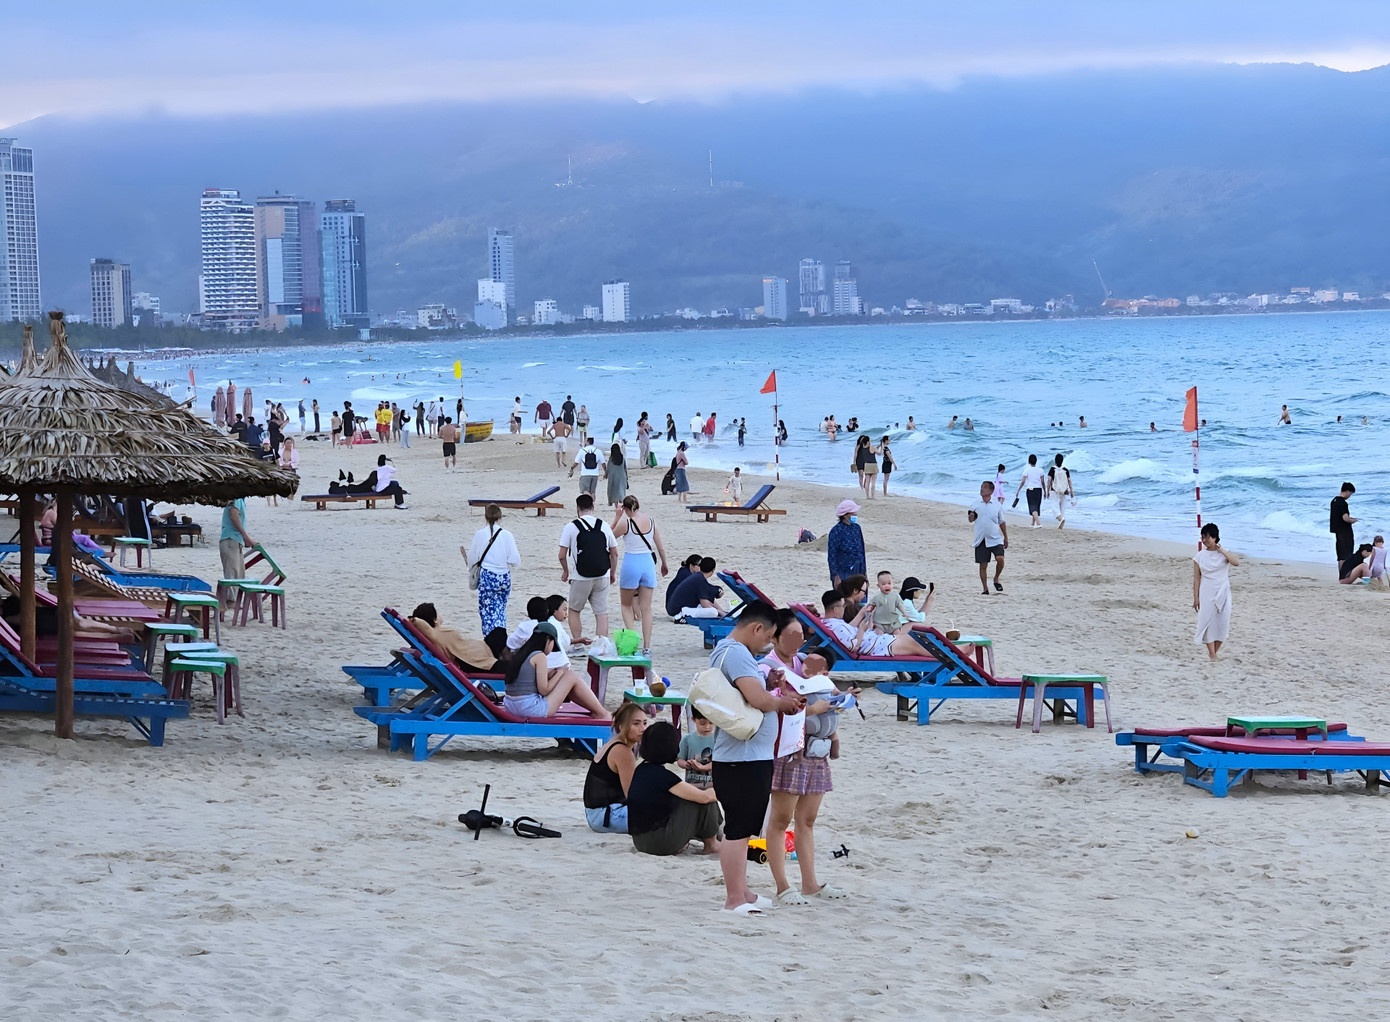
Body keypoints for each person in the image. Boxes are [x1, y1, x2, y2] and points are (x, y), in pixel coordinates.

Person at [709, 601, 805, 913]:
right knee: (738, 829)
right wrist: (783, 701)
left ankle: (743, 891)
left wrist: (768, 684)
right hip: (742, 756)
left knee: (744, 826)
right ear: (757, 628)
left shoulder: (727, 651)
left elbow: (745, 693)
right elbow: (756, 700)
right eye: (769, 638)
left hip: (743, 755)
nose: (769, 645)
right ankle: (734, 897)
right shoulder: (737, 653)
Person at [761, 609, 848, 904]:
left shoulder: (804, 663)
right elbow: (773, 708)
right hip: (788, 750)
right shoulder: (767, 667)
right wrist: (812, 709)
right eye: (792, 635)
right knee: (780, 820)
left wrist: (841, 698)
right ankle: (783, 886)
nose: (798, 641)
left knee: (807, 819)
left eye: (801, 635)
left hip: (814, 750)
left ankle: (810, 883)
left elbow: (825, 688)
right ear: (775, 635)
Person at [628, 722, 722, 856]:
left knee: (698, 794)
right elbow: (704, 797)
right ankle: (711, 844)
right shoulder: (663, 776)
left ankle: (719, 837)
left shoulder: (641, 770)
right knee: (704, 799)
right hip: (660, 842)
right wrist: (727, 788)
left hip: (640, 842)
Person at [503, 623, 607, 719]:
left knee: (565, 680)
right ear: (548, 640)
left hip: (510, 706)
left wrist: (553, 673)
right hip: (530, 709)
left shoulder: (520, 654)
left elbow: (527, 678)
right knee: (571, 676)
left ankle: (598, 711)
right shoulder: (540, 656)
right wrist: (561, 672)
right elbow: (544, 690)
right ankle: (601, 713)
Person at [558, 493, 619, 642]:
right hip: (602, 574)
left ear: (578, 508)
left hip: (581, 576)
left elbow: (562, 555)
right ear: (593, 507)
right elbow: (615, 553)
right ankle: (601, 646)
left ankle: (578, 643)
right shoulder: (603, 525)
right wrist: (612, 572)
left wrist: (566, 571)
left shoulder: (571, 527)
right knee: (601, 613)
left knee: (574, 610)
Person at [612, 495, 668, 656]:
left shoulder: (625, 523)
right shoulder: (651, 521)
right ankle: (647, 647)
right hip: (648, 563)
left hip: (631, 562)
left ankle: (632, 642)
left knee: (626, 605)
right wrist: (664, 563)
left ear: (626, 509)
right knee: (646, 609)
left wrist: (616, 517)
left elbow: (608, 537)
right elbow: (660, 546)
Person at [583, 702, 646, 833]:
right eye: (636, 724)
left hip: (597, 814)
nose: (643, 728)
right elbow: (632, 795)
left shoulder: (613, 744)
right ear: (621, 726)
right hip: (607, 816)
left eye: (645, 723)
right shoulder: (622, 751)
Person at [465, 503, 522, 633]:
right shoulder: (507, 535)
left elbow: (472, 558)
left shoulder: (480, 534)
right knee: (500, 609)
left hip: (487, 577)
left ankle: (490, 640)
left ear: (485, 517)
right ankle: (501, 636)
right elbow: (515, 561)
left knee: (487, 612)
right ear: (500, 517)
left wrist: (471, 570)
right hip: (504, 577)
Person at [408, 602, 504, 673]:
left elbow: (420, 624)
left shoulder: (434, 634)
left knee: (498, 633)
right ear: (434, 619)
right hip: (476, 663)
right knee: (500, 633)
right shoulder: (435, 634)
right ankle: (506, 662)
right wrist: (414, 620)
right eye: (437, 614)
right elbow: (418, 622)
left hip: (479, 656)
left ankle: (506, 660)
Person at [1192, 523, 1238, 659]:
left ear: (1214, 537)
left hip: (1223, 590)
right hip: (1207, 590)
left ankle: (1215, 652)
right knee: (1207, 621)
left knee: (1223, 622)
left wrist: (1222, 550)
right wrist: (1196, 598)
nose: (1204, 540)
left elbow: (1236, 563)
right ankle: (1212, 654)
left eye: (1207, 537)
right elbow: (1196, 578)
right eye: (1202, 537)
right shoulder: (1199, 556)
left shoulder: (1224, 553)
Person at [968, 480, 1008, 594]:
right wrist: (971, 516)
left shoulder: (997, 504)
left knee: (1000, 559)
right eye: (981, 487)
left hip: (995, 538)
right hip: (981, 539)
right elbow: (970, 519)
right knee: (983, 565)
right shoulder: (975, 504)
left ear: (991, 491)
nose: (982, 489)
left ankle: (996, 579)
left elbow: (1002, 522)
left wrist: (1005, 537)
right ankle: (985, 589)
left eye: (985, 487)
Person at [219, 498, 256, 612]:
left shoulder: (240, 500)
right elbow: (234, 515)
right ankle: (230, 601)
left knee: (239, 572)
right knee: (232, 572)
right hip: (230, 538)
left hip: (236, 540)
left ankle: (234, 600)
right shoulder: (236, 499)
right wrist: (246, 537)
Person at [827, 499, 866, 587]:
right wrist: (835, 576)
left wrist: (864, 573)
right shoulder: (835, 531)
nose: (856, 515)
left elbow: (862, 551)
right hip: (843, 571)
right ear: (845, 515)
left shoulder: (857, 528)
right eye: (853, 513)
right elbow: (832, 556)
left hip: (858, 569)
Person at [677, 709, 716, 789]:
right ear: (693, 720)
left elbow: (719, 763)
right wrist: (687, 764)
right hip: (691, 785)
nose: (707, 727)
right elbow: (680, 760)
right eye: (702, 723)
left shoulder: (717, 740)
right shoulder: (687, 739)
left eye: (711, 722)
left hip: (711, 786)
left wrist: (703, 767)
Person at [1014, 454, 1046, 529]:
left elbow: (1023, 481)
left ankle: (1038, 523)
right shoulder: (1040, 470)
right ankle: (1032, 524)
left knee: (1032, 507)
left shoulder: (1027, 470)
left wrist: (1018, 490)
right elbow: (1042, 482)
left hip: (1030, 490)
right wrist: (1045, 490)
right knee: (1036, 507)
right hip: (1039, 490)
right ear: (1036, 461)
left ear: (1029, 461)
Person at [1330, 482, 1357, 569]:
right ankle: (1345, 574)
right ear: (1348, 491)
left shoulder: (1334, 501)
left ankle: (1341, 575)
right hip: (1344, 531)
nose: (1350, 496)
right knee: (1347, 553)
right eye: (1351, 494)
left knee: (1341, 554)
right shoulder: (1342, 503)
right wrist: (1352, 520)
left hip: (1338, 530)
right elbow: (1345, 518)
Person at [1047, 453, 1073, 529]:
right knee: (1063, 506)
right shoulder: (1066, 470)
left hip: (1054, 490)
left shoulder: (1052, 469)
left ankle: (1061, 518)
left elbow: (1049, 481)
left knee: (1054, 506)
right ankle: (1062, 520)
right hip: (1064, 491)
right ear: (1062, 461)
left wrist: (1047, 491)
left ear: (1055, 461)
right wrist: (1072, 492)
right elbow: (1069, 482)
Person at [604, 443, 628, 507]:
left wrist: (606, 475)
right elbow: (625, 468)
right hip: (622, 477)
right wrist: (626, 478)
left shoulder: (611, 459)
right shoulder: (622, 458)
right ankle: (622, 505)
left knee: (614, 493)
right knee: (621, 492)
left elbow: (608, 468)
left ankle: (617, 506)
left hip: (613, 477)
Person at [855, 435, 878, 501]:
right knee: (861, 475)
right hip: (859, 461)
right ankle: (862, 487)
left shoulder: (866, 447)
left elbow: (872, 451)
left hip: (865, 461)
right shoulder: (858, 447)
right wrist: (854, 462)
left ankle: (864, 487)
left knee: (866, 475)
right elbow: (855, 454)